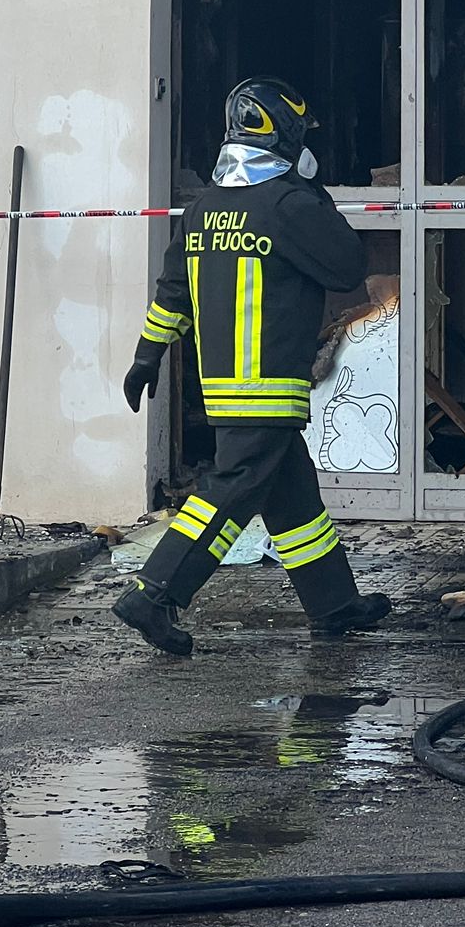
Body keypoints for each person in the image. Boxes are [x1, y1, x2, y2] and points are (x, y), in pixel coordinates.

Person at [115, 76, 390, 657]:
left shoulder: (202, 209)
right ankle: (154, 593)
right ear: (285, 134)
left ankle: (334, 605)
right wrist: (312, 189)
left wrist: (146, 356)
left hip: (223, 384)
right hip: (269, 383)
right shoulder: (290, 205)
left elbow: (172, 293)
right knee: (232, 489)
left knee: (293, 496)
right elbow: (347, 266)